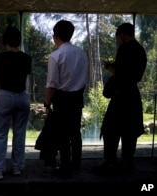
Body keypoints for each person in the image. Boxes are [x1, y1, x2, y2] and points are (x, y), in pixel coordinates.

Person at [94, 23, 147, 174]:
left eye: (119, 35)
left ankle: (110, 161)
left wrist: (112, 68)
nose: (119, 39)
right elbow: (135, 74)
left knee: (110, 128)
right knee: (130, 130)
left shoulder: (125, 48)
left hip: (121, 95)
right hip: (132, 95)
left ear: (123, 34)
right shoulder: (140, 50)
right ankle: (127, 161)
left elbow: (122, 73)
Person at [0, 26, 32, 180]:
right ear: (19, 41)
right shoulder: (26, 58)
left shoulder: (2, 57)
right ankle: (17, 167)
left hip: (6, 96)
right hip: (22, 97)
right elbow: (25, 75)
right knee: (19, 134)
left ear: (6, 41)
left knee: (0, 134)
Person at [44, 20, 89, 177]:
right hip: (77, 97)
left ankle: (65, 166)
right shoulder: (82, 53)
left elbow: (52, 85)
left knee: (62, 133)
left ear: (55, 36)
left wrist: (47, 104)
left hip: (62, 98)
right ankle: (76, 164)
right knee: (75, 132)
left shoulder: (56, 56)